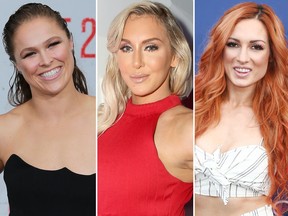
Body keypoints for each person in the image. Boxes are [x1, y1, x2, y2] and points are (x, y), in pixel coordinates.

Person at [98, 1, 193, 215]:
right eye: (127, 48)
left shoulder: (186, 126)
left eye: (151, 47)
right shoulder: (104, 121)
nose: (136, 62)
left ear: (175, 56)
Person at [0, 3, 96, 215]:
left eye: (52, 44)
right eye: (29, 54)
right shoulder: (5, 130)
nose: (45, 60)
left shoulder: (110, 117)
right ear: (17, 64)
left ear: (70, 41)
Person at [195, 2, 288, 216]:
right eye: (233, 44)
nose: (242, 57)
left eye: (256, 47)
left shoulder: (282, 115)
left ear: (271, 55)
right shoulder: (194, 102)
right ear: (220, 48)